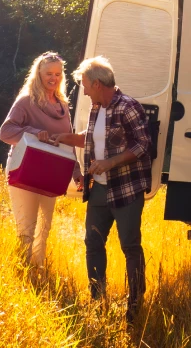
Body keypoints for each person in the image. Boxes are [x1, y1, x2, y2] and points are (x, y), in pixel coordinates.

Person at [52, 56, 151, 324]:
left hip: (126, 190)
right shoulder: (97, 107)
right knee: (93, 243)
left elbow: (143, 145)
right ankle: (98, 300)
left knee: (130, 246)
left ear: (97, 84)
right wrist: (64, 137)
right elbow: (92, 138)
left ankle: (135, 304)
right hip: (99, 191)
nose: (83, 91)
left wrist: (111, 162)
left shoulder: (128, 107)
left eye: (85, 85)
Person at [0, 51, 80, 266]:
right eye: (48, 74)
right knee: (26, 229)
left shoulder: (62, 104)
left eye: (58, 74)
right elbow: (5, 132)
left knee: (44, 228)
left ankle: (39, 271)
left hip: (49, 174)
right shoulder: (26, 101)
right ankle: (23, 273)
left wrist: (76, 170)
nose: (54, 78)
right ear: (38, 75)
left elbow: (68, 141)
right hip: (25, 170)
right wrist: (34, 133)